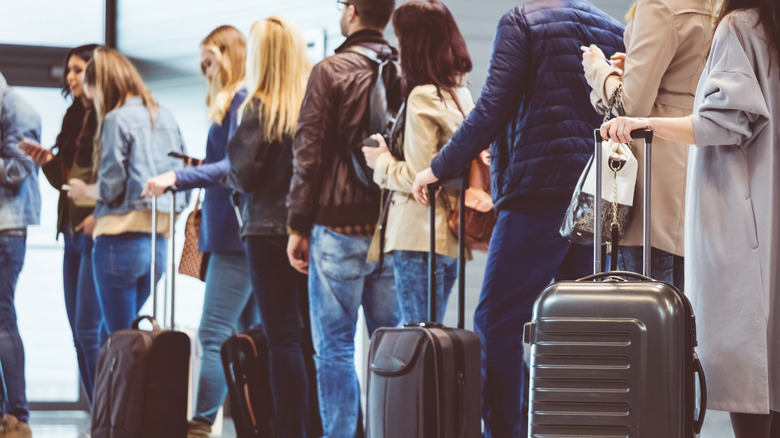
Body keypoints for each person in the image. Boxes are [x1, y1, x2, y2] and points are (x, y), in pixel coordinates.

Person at [410, 1, 625, 435]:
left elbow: (491, 108)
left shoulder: (521, 21)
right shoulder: (612, 26)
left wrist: (436, 168)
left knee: (497, 321)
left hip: (538, 190)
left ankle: (504, 431)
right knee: (577, 326)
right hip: (597, 192)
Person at [600, 1, 780, 435]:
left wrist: (644, 121)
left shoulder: (741, 25)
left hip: (739, 212)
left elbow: (724, 120)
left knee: (747, 376)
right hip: (764, 210)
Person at [285, 0, 401, 435]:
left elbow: (308, 153)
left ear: (351, 11)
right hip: (392, 225)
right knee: (389, 346)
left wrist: (298, 224)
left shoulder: (330, 71)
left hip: (337, 226)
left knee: (333, 347)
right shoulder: (404, 70)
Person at [142, 25, 260, 438]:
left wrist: (176, 176)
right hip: (234, 236)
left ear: (227, 57)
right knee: (247, 338)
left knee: (214, 333)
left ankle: (201, 426)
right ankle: (254, 423)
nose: (204, 70)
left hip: (234, 238)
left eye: (209, 61)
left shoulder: (242, 100)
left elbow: (232, 167)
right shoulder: (237, 103)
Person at [582, 0, 714, 289]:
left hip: (652, 176)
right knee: (681, 310)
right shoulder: (716, 6)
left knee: (643, 310)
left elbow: (629, 105)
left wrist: (597, 70)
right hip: (694, 166)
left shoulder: (659, 5)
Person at [225, 16, 314, 437]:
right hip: (312, 230)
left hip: (265, 231)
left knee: (282, 338)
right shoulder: (315, 104)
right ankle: (317, 427)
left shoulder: (259, 107)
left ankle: (289, 431)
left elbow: (241, 173)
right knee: (312, 340)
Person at [362, 0, 474, 324]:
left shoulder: (422, 95)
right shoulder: (458, 92)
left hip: (418, 233)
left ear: (414, 42)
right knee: (433, 337)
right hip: (449, 235)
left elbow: (419, 174)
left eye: (400, 37)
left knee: (418, 338)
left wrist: (381, 161)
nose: (396, 45)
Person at [70, 47, 189, 334]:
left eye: (93, 94)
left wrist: (85, 190)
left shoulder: (116, 119)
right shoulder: (166, 116)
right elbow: (183, 181)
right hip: (157, 246)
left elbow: (111, 188)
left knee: (116, 342)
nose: (95, 102)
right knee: (130, 341)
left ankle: (114, 383)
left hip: (117, 244)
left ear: (102, 86)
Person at [19, 44, 109, 407]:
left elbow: (113, 182)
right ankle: (100, 417)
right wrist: (47, 162)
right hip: (71, 233)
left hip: (98, 234)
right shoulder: (73, 117)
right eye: (68, 70)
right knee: (79, 334)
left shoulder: (110, 118)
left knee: (91, 333)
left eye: (77, 69)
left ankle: (109, 418)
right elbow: (69, 183)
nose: (70, 77)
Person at [0, 71, 40, 438]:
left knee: (3, 320)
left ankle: (18, 415)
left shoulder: (20, 111)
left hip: (6, 230)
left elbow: (15, 170)